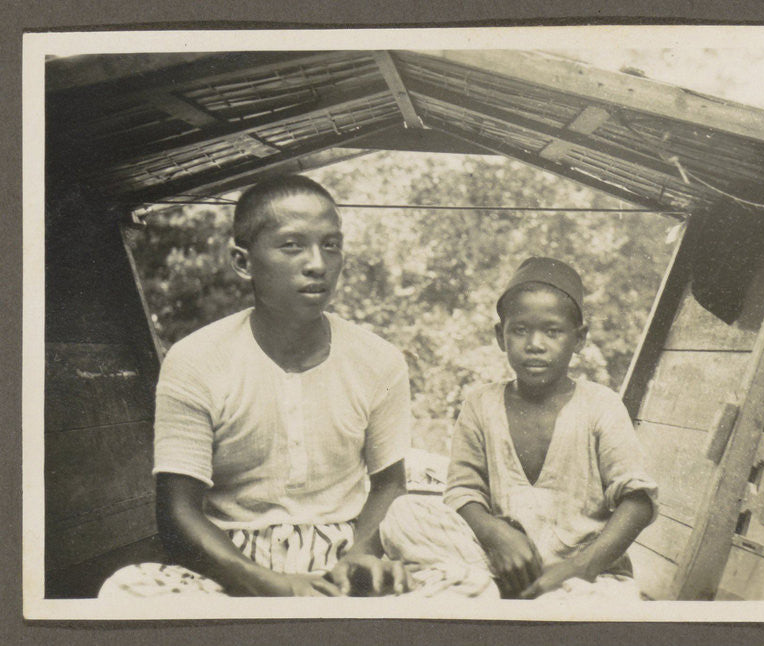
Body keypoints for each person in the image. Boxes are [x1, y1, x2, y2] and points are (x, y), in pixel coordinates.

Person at [100, 175, 411, 598]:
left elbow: (390, 484)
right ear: (243, 261)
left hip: (346, 553)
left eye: (331, 244)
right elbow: (178, 511)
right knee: (127, 591)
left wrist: (360, 554)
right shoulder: (196, 360)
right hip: (229, 562)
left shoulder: (379, 360)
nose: (317, 263)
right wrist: (271, 583)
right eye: (292, 245)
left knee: (466, 585)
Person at [380, 257, 658, 600]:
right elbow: (463, 493)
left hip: (582, 572)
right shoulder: (481, 404)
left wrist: (580, 567)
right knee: (402, 514)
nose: (535, 344)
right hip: (499, 561)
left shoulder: (601, 406)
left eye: (553, 331)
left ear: (579, 338)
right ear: (501, 335)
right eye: (520, 330)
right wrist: (497, 535)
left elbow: (638, 501)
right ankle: (493, 587)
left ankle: (495, 592)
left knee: (606, 602)